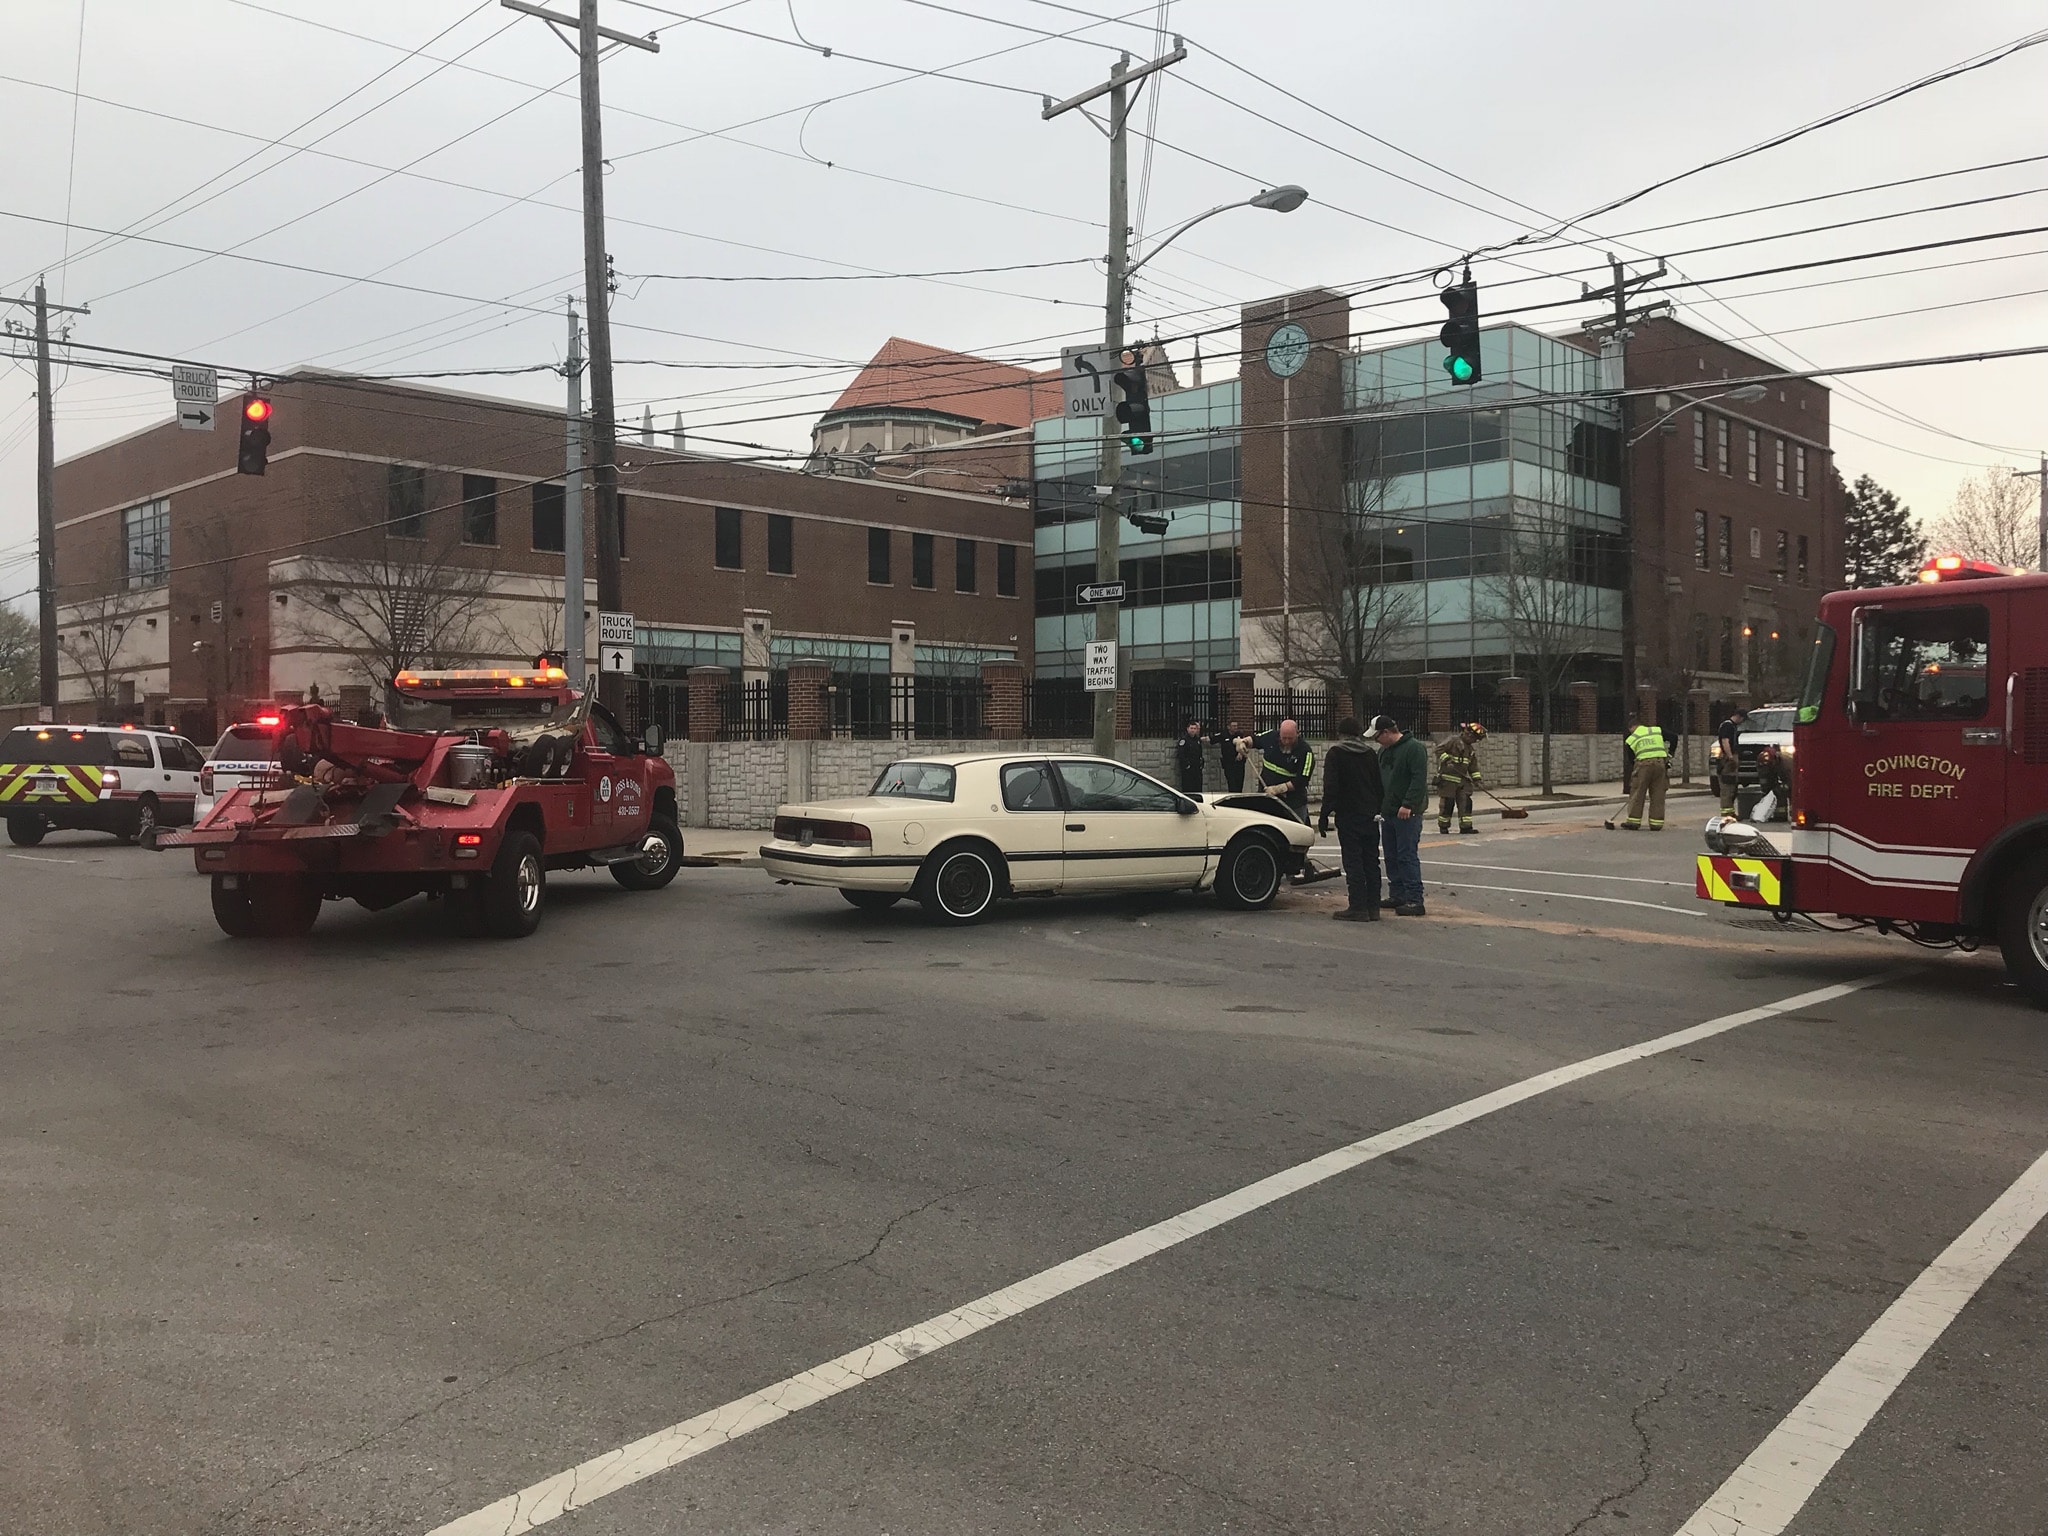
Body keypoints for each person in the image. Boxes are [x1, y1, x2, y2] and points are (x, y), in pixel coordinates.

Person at [1318, 716, 1384, 921]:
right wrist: (1378, 808)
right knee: (1370, 861)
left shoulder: (1336, 754)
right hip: (1369, 814)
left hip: (1348, 814)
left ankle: (1357, 907)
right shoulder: (1370, 754)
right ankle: (1373, 907)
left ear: (1341, 734)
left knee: (1353, 861)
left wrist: (1324, 814)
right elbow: (1378, 785)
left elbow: (1331, 787)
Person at [1374, 714, 1430, 916]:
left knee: (1406, 855)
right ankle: (1397, 894)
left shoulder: (1414, 748)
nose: (1376, 741)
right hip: (1388, 811)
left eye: (1377, 736)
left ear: (1387, 732)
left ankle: (1415, 899)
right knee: (1391, 855)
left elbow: (1418, 779)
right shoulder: (1384, 751)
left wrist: (1408, 804)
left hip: (1407, 813)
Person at [1235, 717, 1315, 821]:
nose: (1286, 741)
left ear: (1297, 734)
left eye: (1290, 738)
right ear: (1279, 734)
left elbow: (1302, 780)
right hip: (1267, 797)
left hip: (1293, 802)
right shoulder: (1271, 736)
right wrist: (1243, 742)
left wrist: (1278, 789)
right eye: (1284, 738)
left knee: (1297, 828)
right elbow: (1255, 740)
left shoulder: (1305, 751)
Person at [1616, 713, 1672, 831]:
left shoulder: (1632, 738)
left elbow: (1631, 758)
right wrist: (1670, 755)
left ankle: (1633, 821)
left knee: (1637, 792)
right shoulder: (1656, 731)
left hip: (1643, 765)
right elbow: (1674, 737)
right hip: (1660, 764)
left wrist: (1636, 771)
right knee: (1658, 793)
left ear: (1632, 727)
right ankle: (1656, 823)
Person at [1434, 721, 1486, 834]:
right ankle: (1444, 826)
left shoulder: (1470, 750)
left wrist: (1477, 780)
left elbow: (1473, 767)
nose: (1475, 741)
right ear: (1469, 735)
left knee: (1466, 803)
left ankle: (1466, 827)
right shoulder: (1453, 741)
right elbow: (1438, 750)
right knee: (1447, 804)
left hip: (1462, 781)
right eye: (1475, 739)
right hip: (1448, 780)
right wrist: (1447, 760)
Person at [1715, 707, 1748, 813]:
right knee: (1727, 786)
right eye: (1743, 719)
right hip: (1727, 759)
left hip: (1729, 757)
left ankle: (1730, 811)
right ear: (1738, 716)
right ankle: (1726, 813)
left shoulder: (1732, 726)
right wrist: (1730, 756)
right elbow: (1725, 741)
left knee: (1732, 787)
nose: (1742, 722)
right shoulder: (1727, 726)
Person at [1174, 719, 1209, 794]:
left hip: (1197, 768)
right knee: (1188, 788)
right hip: (1188, 770)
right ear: (1187, 729)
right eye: (1191, 728)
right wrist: (1186, 765)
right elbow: (1181, 754)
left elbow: (1200, 753)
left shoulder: (1197, 740)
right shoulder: (1184, 740)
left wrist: (1201, 763)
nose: (1193, 730)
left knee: (1198, 788)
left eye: (1194, 728)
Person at [1218, 721, 1249, 793]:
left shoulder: (1240, 735)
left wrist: (1240, 753)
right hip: (1229, 763)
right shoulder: (1224, 735)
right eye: (1233, 726)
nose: (1235, 728)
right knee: (1232, 784)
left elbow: (1244, 746)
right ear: (1228, 727)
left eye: (1236, 726)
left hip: (1239, 764)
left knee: (1239, 783)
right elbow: (1212, 739)